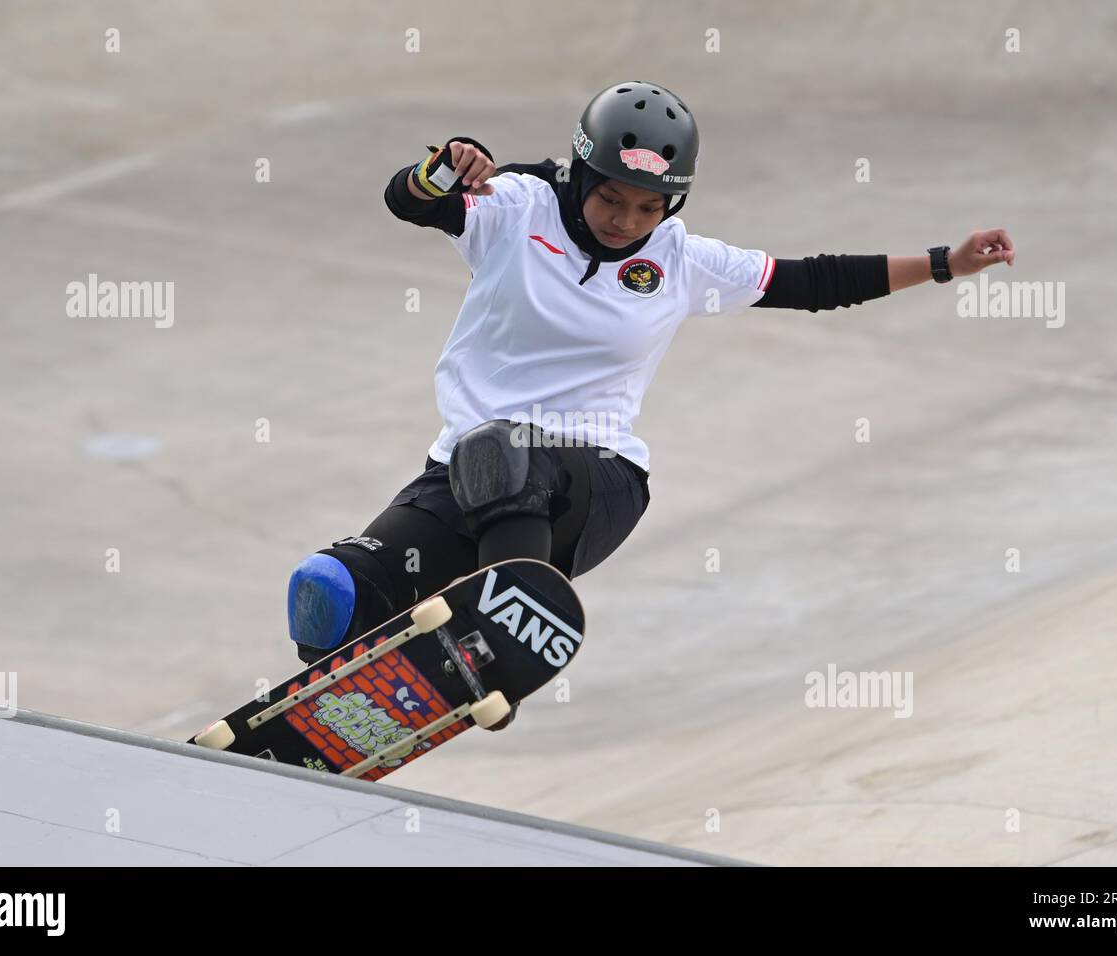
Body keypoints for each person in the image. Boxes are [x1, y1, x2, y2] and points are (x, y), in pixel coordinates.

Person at [286, 80, 1015, 730]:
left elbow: (814, 281)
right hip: (466, 475)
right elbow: (409, 201)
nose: (625, 220)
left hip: (595, 485)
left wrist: (948, 261)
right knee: (331, 588)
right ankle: (313, 729)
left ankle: (498, 650)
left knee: (505, 449)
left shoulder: (681, 259)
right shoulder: (515, 206)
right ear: (581, 176)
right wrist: (445, 166)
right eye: (611, 198)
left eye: (647, 207)